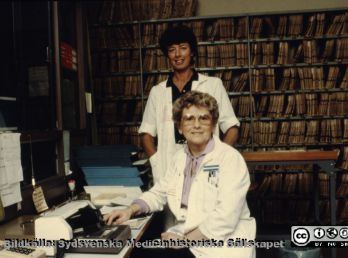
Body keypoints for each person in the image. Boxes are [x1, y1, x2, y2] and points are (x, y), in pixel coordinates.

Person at [104, 91, 256, 258]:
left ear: (213, 125)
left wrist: (185, 240)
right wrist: (130, 210)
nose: (196, 125)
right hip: (187, 237)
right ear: (179, 127)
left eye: (204, 118)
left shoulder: (230, 159)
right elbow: (160, 192)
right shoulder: (178, 158)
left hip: (223, 245)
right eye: (189, 119)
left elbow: (225, 217)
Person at [139, 25, 239, 184]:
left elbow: (232, 128)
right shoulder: (157, 92)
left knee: (206, 202)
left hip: (206, 162)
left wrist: (219, 156)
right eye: (172, 50)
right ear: (167, 55)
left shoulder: (213, 85)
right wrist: (156, 161)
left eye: (183, 48)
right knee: (171, 207)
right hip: (169, 165)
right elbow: (146, 133)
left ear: (192, 52)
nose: (177, 54)